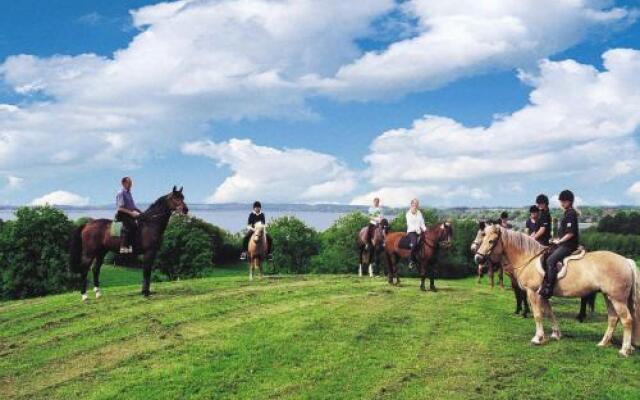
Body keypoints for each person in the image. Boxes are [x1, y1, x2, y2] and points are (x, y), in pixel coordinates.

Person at [538, 190, 580, 299]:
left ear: (569, 202)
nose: (562, 203)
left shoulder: (571, 214)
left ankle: (549, 288)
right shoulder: (567, 213)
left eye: (564, 201)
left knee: (550, 260)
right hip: (563, 243)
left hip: (568, 245)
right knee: (546, 254)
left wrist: (560, 241)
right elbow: (564, 232)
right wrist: (557, 239)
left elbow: (570, 233)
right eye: (561, 201)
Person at [115, 177, 141, 254]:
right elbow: (120, 208)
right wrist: (131, 213)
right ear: (123, 183)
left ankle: (132, 248)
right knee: (128, 227)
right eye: (129, 183)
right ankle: (123, 248)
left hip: (130, 214)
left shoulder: (129, 193)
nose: (131, 185)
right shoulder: (121, 193)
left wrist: (141, 212)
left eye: (131, 183)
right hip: (123, 215)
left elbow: (133, 207)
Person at [406, 198, 427, 269]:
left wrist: (425, 230)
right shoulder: (408, 214)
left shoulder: (419, 212)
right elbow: (410, 224)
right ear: (411, 204)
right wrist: (417, 230)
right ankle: (410, 261)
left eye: (417, 204)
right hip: (411, 232)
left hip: (420, 231)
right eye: (415, 204)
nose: (416, 205)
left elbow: (422, 223)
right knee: (414, 243)